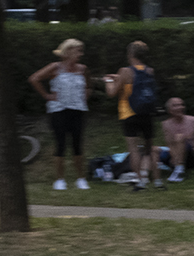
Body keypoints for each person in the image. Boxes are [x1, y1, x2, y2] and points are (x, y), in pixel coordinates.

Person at [28, 38, 91, 191]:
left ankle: (80, 178)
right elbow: (34, 78)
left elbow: (89, 86)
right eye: (77, 51)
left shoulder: (82, 69)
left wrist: (84, 97)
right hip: (59, 110)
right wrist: (46, 95)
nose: (80, 54)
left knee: (78, 144)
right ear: (68, 52)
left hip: (78, 110)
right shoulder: (55, 67)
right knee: (60, 144)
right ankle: (60, 179)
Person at [105, 40, 163, 192]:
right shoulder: (149, 70)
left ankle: (140, 182)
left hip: (129, 113)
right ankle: (157, 181)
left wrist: (109, 81)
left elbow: (112, 92)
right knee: (150, 149)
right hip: (147, 112)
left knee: (134, 149)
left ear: (130, 54)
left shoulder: (125, 71)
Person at [158, 97, 194, 182]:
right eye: (175, 105)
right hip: (174, 155)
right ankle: (139, 175)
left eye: (181, 105)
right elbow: (169, 144)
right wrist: (174, 157)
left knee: (179, 137)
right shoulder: (165, 124)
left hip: (191, 154)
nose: (180, 107)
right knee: (152, 149)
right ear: (170, 110)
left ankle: (179, 171)